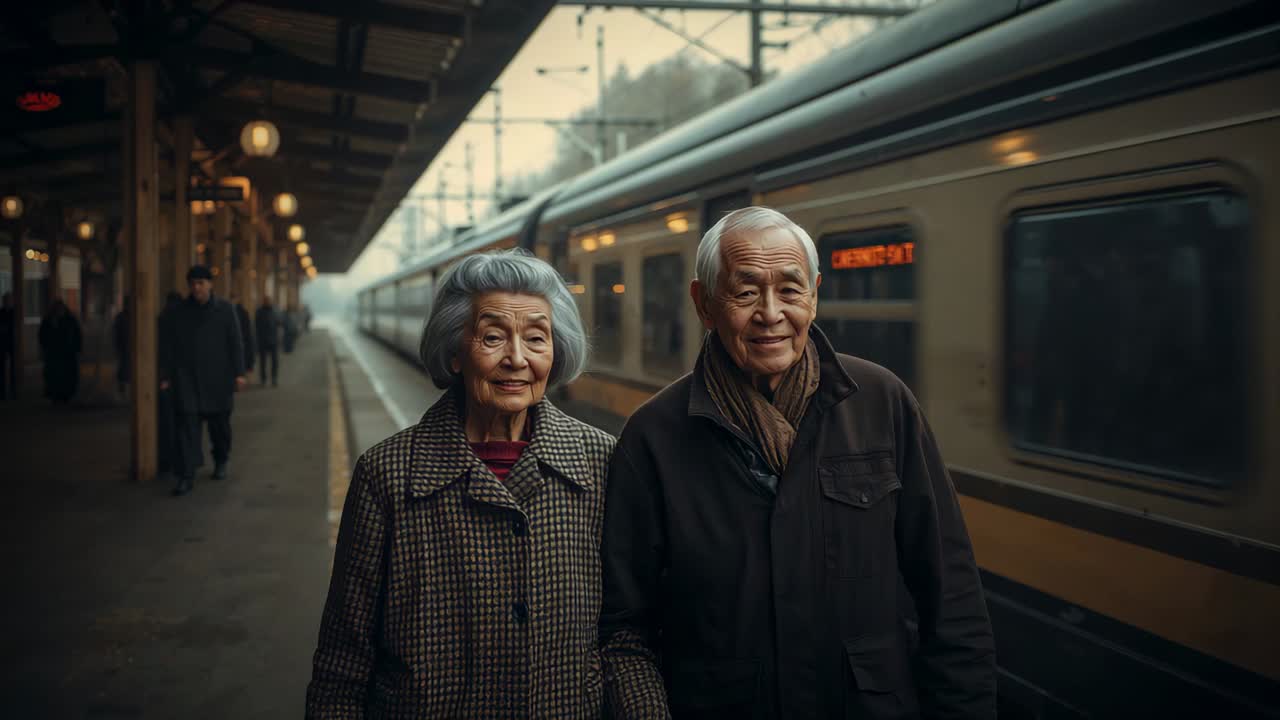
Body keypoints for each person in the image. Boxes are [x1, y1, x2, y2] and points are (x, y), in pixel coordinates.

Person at [599, 207, 996, 719]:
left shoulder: (881, 402)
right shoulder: (654, 436)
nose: (770, 313)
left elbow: (952, 595)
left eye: (790, 290)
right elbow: (624, 626)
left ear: (814, 294)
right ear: (703, 303)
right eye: (745, 293)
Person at [306, 250, 613, 718]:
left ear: (556, 352)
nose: (517, 358)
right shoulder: (386, 475)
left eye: (536, 338)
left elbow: (624, 637)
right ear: (454, 352)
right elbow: (344, 661)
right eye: (493, 337)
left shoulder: (601, 461)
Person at [159, 265, 246, 496]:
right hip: (187, 379)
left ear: (210, 284)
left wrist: (239, 373)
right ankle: (186, 475)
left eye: (201, 283)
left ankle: (221, 460)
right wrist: (165, 376)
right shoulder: (179, 312)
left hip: (218, 380)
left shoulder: (225, 310)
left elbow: (235, 342)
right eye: (192, 284)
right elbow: (169, 346)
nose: (196, 288)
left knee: (220, 429)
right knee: (186, 429)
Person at [156, 291, 183, 477]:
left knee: (167, 422)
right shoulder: (181, 319)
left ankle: (166, 460)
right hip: (179, 379)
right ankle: (177, 459)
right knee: (180, 422)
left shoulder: (162, 319)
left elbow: (163, 351)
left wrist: (163, 377)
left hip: (166, 378)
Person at [38, 299, 82, 404]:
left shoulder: (70, 320)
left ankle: (66, 395)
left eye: (61, 309)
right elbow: (42, 335)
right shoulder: (49, 320)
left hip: (68, 353)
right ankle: (56, 396)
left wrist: (77, 348)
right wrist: (46, 347)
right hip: (54, 354)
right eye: (57, 309)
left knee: (67, 376)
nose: (59, 311)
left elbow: (77, 334)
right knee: (54, 376)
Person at [254, 294, 280, 386]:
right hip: (263, 340)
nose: (268, 302)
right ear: (263, 302)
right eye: (266, 301)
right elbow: (256, 326)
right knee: (263, 362)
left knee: (275, 361)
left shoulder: (274, 311)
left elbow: (278, 323)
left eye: (269, 301)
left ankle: (274, 378)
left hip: (273, 340)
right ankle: (263, 379)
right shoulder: (259, 312)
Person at [230, 292, 255, 382]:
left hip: (242, 342)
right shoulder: (226, 312)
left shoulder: (243, 313)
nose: (232, 301)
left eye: (234, 299)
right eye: (231, 299)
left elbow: (248, 333)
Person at [112, 296, 130, 396]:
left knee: (124, 368)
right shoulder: (121, 317)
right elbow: (116, 333)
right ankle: (122, 389)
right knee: (123, 368)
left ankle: (123, 388)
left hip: (125, 346)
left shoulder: (121, 317)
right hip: (124, 346)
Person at [0, 292, 15, 400]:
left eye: (9, 300)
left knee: (13, 368)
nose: (7, 302)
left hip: (12, 342)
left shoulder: (14, 313)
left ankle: (13, 391)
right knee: (2, 368)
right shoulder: (1, 313)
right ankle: (3, 392)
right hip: (2, 342)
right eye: (6, 300)